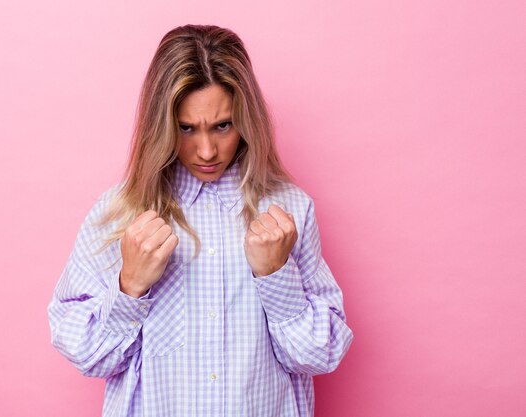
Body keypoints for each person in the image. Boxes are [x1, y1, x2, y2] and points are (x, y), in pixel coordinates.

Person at [48, 24, 354, 417]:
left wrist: (277, 276)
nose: (206, 150)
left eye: (222, 125)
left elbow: (320, 356)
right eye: (186, 128)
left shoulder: (289, 211)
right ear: (162, 124)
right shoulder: (120, 211)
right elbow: (87, 356)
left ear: (246, 119)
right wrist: (130, 287)